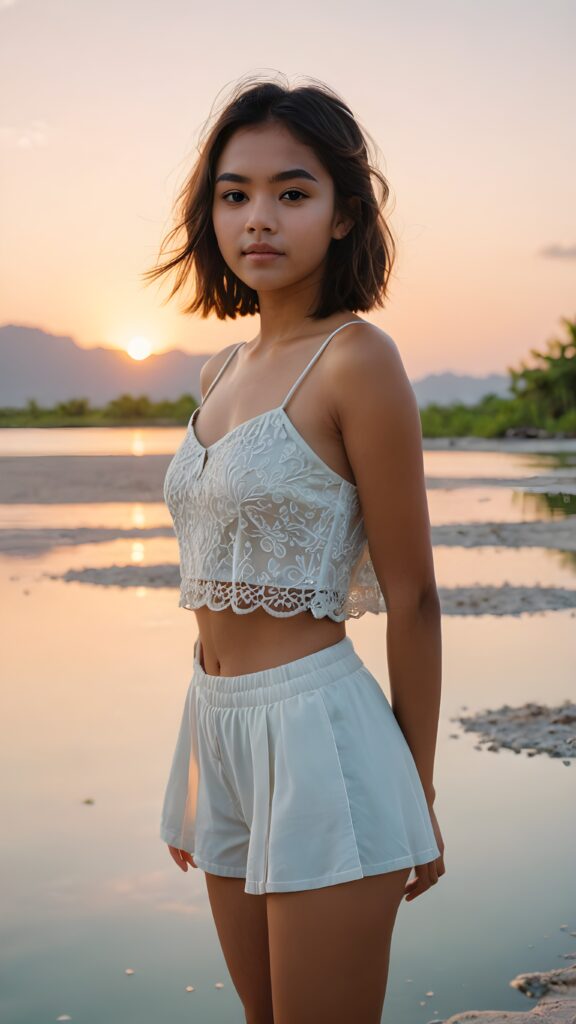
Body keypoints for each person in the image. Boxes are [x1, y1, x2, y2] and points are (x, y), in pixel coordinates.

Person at [143, 71, 445, 1024]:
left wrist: (418, 788)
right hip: (219, 723)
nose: (258, 219)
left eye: (293, 192)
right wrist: (202, 752)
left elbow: (415, 597)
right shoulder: (220, 366)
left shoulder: (358, 359)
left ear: (345, 215)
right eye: (235, 194)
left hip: (320, 736)